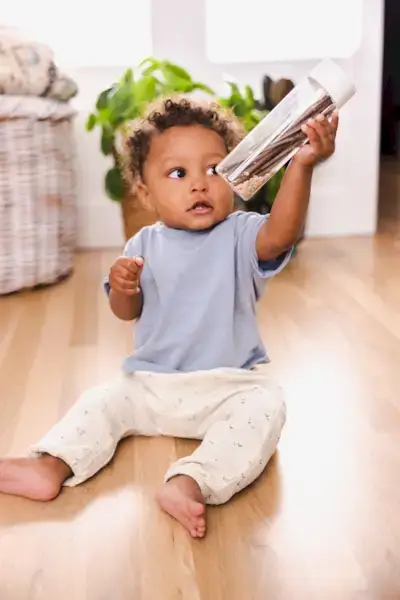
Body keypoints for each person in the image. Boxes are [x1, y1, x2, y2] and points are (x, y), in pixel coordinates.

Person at [0, 97, 338, 538]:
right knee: (101, 400)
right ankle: (52, 464)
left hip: (226, 386)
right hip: (152, 386)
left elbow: (281, 235)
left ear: (235, 176)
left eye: (214, 170)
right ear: (146, 193)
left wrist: (303, 164)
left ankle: (190, 482)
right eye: (178, 174)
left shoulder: (240, 234)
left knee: (266, 404)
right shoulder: (142, 243)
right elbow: (126, 312)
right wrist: (125, 289)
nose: (199, 185)